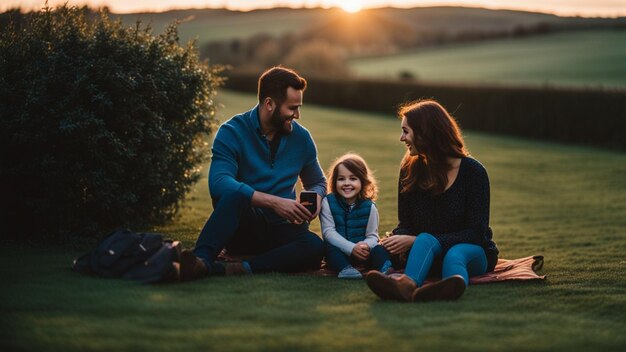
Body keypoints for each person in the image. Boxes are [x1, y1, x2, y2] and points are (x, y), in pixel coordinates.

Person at [179, 66, 327, 281]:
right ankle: (200, 261)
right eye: (292, 108)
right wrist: (275, 203)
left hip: (282, 231)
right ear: (269, 104)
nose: (297, 115)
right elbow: (219, 183)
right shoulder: (232, 131)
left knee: (314, 246)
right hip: (244, 228)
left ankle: (236, 269)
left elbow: (318, 182)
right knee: (234, 194)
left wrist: (316, 197)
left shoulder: (302, 138)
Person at [365, 99, 499, 302]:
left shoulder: (473, 172)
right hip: (426, 253)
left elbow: (476, 233)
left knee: (453, 254)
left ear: (426, 133)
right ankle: (410, 286)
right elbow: (406, 224)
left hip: (471, 251)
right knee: (384, 248)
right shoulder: (409, 168)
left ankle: (442, 285)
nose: (402, 138)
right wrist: (398, 240)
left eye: (406, 131)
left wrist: (420, 240)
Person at [319, 153, 393, 279]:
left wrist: (364, 246)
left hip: (363, 252)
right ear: (334, 181)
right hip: (340, 251)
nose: (347, 183)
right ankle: (345, 269)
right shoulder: (328, 202)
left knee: (380, 249)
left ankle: (385, 269)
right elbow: (328, 232)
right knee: (330, 250)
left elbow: (372, 236)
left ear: (362, 181)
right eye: (341, 179)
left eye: (353, 178)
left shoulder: (370, 207)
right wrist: (351, 248)